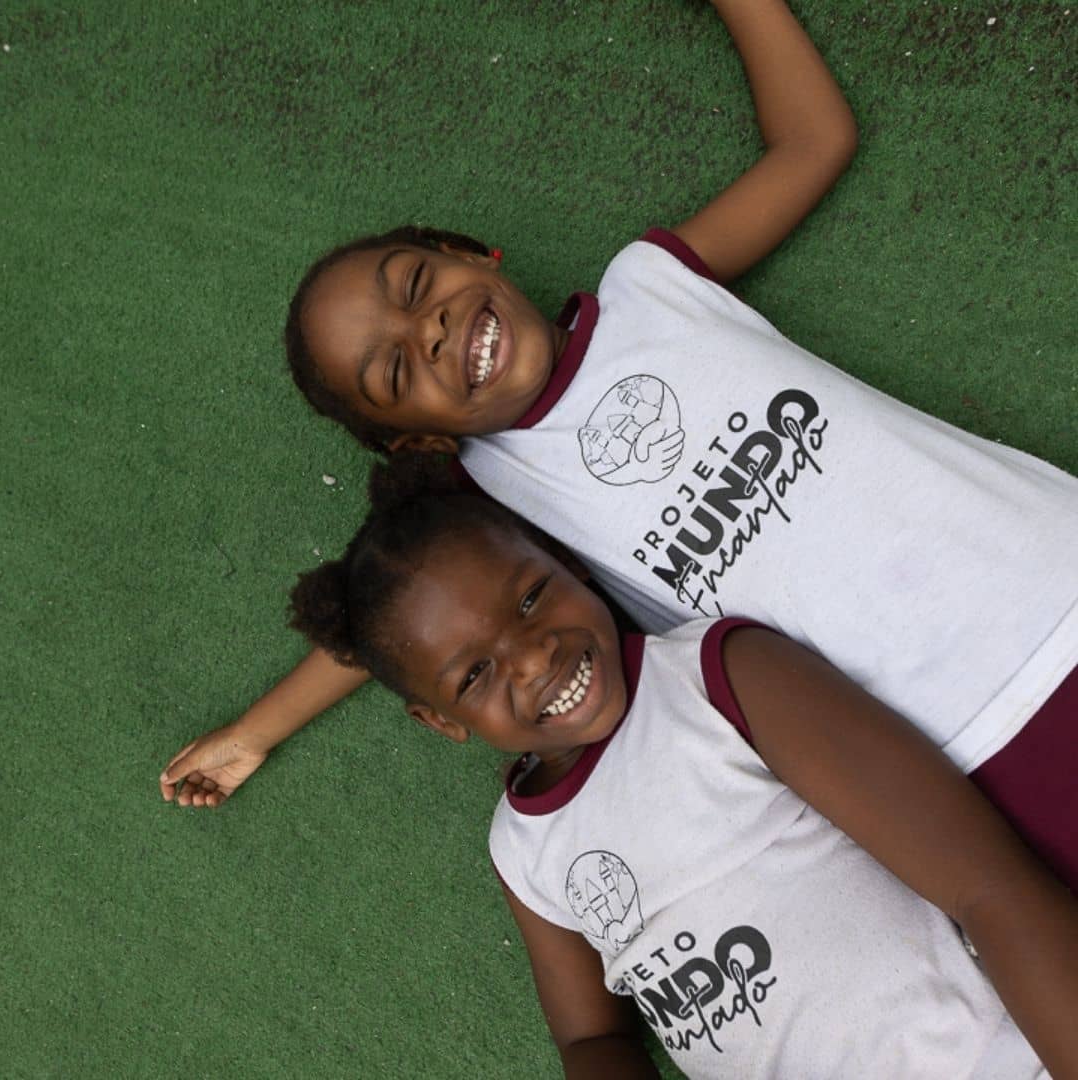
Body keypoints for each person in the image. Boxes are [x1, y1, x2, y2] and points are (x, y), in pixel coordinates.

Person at [160, 0, 1077, 890]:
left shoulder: (653, 284)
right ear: (417, 440)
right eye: (397, 370)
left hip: (1050, 558)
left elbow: (813, 140)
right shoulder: (495, 499)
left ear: (466, 251)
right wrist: (253, 732)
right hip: (964, 738)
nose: (428, 332)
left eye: (415, 286)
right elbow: (386, 619)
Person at [287, 487, 1077, 1077]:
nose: (533, 658)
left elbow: (985, 883)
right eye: (475, 675)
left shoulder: (717, 680)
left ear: (566, 563)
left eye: (530, 598)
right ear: (441, 721)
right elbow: (592, 1037)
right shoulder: (523, 850)